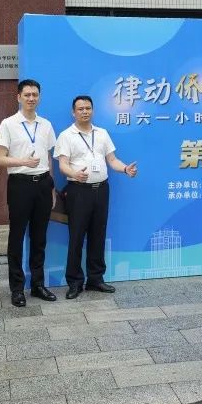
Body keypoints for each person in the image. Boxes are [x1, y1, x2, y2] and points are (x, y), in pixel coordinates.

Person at [55, 95, 138, 298]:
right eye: (80, 109)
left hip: (101, 190)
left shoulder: (102, 133)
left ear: (93, 110)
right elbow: (63, 165)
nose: (85, 111)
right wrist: (74, 174)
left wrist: (125, 169)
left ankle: (96, 279)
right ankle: (75, 282)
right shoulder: (66, 135)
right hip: (78, 191)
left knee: (98, 235)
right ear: (73, 112)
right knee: (76, 236)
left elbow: (112, 159)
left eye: (88, 108)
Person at [0, 79, 58, 307]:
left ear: (39, 97)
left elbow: (48, 157)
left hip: (43, 184)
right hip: (20, 185)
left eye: (35, 95)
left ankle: (38, 284)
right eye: (27, 95)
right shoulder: (8, 124)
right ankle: (17, 288)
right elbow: (0, 159)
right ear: (18, 97)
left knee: (40, 237)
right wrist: (23, 162)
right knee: (17, 237)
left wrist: (51, 188)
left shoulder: (46, 125)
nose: (31, 98)